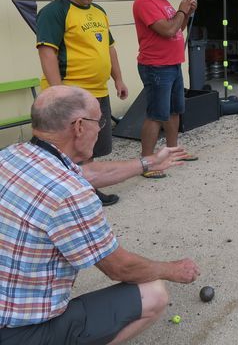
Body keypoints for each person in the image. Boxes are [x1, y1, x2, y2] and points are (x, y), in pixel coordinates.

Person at [0, 85, 199, 345]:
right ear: (79, 126)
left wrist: (149, 162)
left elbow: (90, 174)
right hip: (21, 334)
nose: (102, 128)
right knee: (154, 293)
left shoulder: (11, 156)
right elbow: (119, 268)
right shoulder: (71, 193)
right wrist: (171, 269)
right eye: (99, 121)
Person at [36, 0, 128, 206]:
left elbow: (109, 48)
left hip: (98, 93)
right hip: (72, 95)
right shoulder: (54, 12)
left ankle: (89, 192)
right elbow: (47, 54)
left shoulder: (99, 11)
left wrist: (118, 78)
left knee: (92, 148)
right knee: (68, 149)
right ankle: (69, 197)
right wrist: (59, 94)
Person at [133, 0, 198, 177]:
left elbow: (178, 27)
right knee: (155, 114)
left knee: (174, 110)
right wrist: (181, 9)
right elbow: (168, 31)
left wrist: (186, 13)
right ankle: (148, 162)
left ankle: (173, 152)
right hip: (155, 66)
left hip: (172, 64)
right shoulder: (144, 3)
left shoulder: (163, 2)